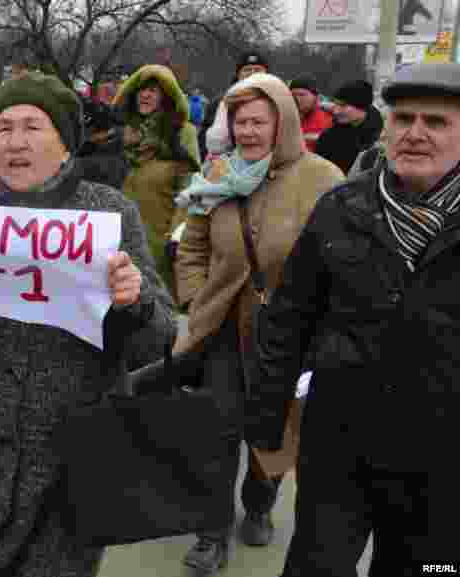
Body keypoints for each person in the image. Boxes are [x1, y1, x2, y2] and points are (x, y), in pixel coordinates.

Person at [0, 71, 177, 577]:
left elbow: (158, 341)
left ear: (65, 146)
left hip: (76, 445)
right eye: (4, 128)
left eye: (33, 127)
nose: (16, 142)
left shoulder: (108, 214)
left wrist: (134, 301)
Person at [250, 62, 456, 577]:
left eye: (436, 122)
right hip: (341, 442)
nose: (415, 133)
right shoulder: (343, 207)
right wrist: (265, 418)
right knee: (316, 567)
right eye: (403, 118)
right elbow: (289, 317)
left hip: (444, 458)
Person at [173, 73, 344, 575]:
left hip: (290, 330)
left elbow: (341, 256)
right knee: (217, 428)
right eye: (238, 121)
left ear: (281, 123)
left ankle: (260, 502)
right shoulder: (218, 171)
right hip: (224, 321)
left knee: (270, 426)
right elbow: (194, 243)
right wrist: (194, 294)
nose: (247, 131)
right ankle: (211, 531)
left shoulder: (322, 178)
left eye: (257, 121)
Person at [113, 64, 200, 296]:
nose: (146, 94)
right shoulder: (118, 133)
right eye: (142, 89)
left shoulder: (183, 133)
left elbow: (189, 192)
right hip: (115, 242)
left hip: (158, 242)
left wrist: (175, 237)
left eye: (154, 90)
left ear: (168, 97)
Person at [201, 51, 270, 160]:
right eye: (247, 70)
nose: (252, 73)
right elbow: (204, 138)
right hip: (227, 164)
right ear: (238, 75)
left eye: (257, 69)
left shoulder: (277, 99)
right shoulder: (221, 102)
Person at [315, 79, 384, 175]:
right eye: (336, 104)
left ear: (362, 106)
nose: (336, 111)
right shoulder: (328, 138)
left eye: (343, 105)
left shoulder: (384, 137)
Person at [289, 75, 334, 153]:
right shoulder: (287, 118)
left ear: (315, 96)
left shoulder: (329, 120)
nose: (297, 99)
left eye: (302, 95)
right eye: (293, 95)